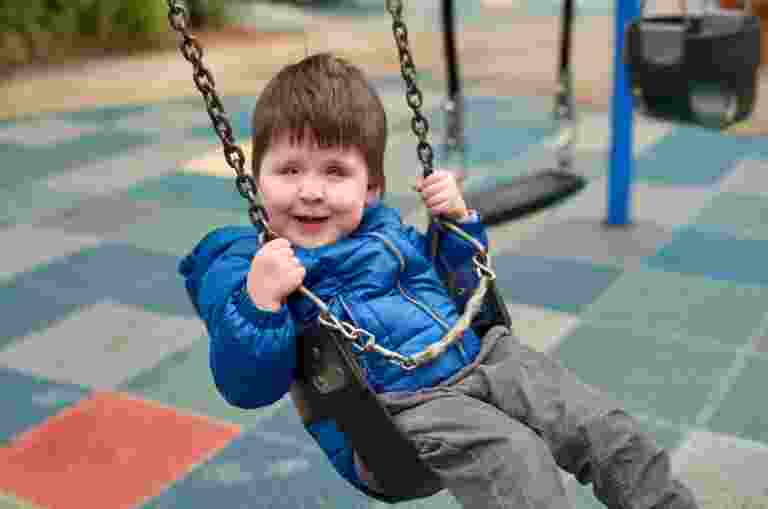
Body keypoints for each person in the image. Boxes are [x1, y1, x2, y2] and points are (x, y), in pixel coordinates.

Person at [179, 52, 699, 509]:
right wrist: (259, 302)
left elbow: (463, 290)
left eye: (334, 172)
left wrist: (455, 226)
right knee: (515, 460)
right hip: (393, 412)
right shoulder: (247, 262)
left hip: (484, 358)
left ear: (373, 187)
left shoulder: (387, 230)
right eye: (289, 170)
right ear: (255, 179)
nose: (310, 191)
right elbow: (245, 387)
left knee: (603, 426)